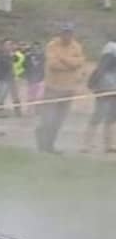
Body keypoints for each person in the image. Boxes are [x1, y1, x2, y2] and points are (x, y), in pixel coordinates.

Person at [37, 23, 86, 153]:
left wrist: (63, 58)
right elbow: (53, 65)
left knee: (59, 120)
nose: (67, 35)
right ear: (60, 33)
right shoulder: (52, 45)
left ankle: (50, 145)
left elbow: (79, 63)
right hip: (52, 88)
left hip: (69, 89)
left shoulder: (77, 46)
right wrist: (71, 64)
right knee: (47, 118)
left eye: (69, 33)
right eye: (65, 32)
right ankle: (42, 144)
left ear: (72, 34)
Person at [82, 40, 116, 153]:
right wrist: (93, 81)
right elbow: (102, 67)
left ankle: (109, 145)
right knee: (99, 115)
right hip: (105, 87)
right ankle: (86, 144)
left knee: (112, 117)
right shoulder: (111, 48)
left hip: (113, 89)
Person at [0, 39, 22, 117]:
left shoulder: (10, 53)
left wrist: (14, 52)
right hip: (2, 77)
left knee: (15, 94)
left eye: (10, 44)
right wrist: (10, 56)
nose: (9, 46)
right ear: (3, 46)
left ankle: (18, 111)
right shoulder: (0, 53)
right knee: (1, 95)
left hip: (10, 77)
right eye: (8, 44)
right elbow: (4, 63)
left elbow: (16, 59)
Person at [24, 41, 47, 111]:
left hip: (41, 78)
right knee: (31, 95)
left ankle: (38, 109)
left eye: (37, 48)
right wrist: (27, 76)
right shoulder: (28, 56)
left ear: (40, 48)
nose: (36, 49)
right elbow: (26, 66)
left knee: (40, 95)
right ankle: (29, 109)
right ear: (32, 48)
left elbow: (45, 66)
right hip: (31, 79)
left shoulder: (43, 56)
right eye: (34, 48)